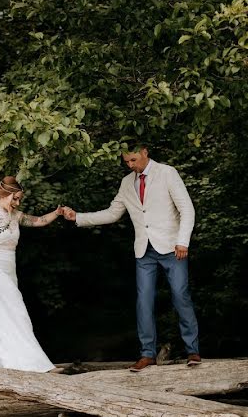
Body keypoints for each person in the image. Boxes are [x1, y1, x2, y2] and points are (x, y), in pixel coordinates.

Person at [62, 145, 200, 371]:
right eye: (126, 162)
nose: (130, 165)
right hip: (143, 250)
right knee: (143, 301)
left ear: (145, 152)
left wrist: (183, 241)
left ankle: (192, 351)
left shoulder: (167, 173)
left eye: (133, 160)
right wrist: (77, 217)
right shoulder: (127, 182)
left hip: (172, 247)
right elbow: (112, 213)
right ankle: (147, 354)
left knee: (180, 296)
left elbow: (187, 209)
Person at [0, 176, 62, 373]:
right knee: (16, 310)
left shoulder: (16, 216)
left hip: (10, 268)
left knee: (2, 312)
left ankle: (0, 359)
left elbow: (39, 221)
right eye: (15, 198)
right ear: (5, 195)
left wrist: (57, 213)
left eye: (19, 199)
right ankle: (33, 364)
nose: (17, 203)